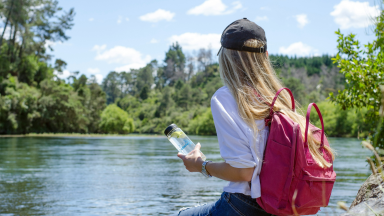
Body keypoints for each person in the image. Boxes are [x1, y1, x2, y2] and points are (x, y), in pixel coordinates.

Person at [173, 18, 334, 216]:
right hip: (281, 206)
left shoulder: (225, 97)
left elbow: (243, 171)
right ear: (265, 56)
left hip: (244, 205)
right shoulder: (281, 100)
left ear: (225, 58)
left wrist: (202, 166)